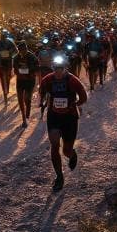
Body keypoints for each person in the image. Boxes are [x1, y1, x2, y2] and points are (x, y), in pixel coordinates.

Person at [39, 55, 89, 191]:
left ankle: (71, 154)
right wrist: (42, 101)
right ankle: (59, 176)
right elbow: (41, 91)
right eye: (56, 69)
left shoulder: (73, 80)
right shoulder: (47, 80)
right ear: (53, 68)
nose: (58, 71)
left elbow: (83, 96)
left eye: (60, 69)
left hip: (70, 118)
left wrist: (75, 104)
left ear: (65, 68)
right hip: (54, 116)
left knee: (66, 150)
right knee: (54, 145)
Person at [12, 42, 39, 127]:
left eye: (24, 50)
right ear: (18, 50)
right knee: (20, 99)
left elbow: (36, 67)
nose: (22, 51)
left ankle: (27, 113)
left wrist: (30, 72)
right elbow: (15, 69)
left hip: (30, 81)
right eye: (20, 50)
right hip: (20, 81)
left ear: (26, 49)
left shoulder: (32, 57)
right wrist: (19, 73)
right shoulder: (16, 58)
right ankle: (24, 119)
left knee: (27, 99)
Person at [0, 33, 17, 106]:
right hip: (1, 64)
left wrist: (10, 54)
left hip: (8, 63)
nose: (3, 38)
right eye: (2, 37)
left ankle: (7, 91)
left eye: (4, 37)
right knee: (3, 79)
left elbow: (16, 51)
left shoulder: (10, 43)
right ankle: (5, 93)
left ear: (6, 37)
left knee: (8, 78)